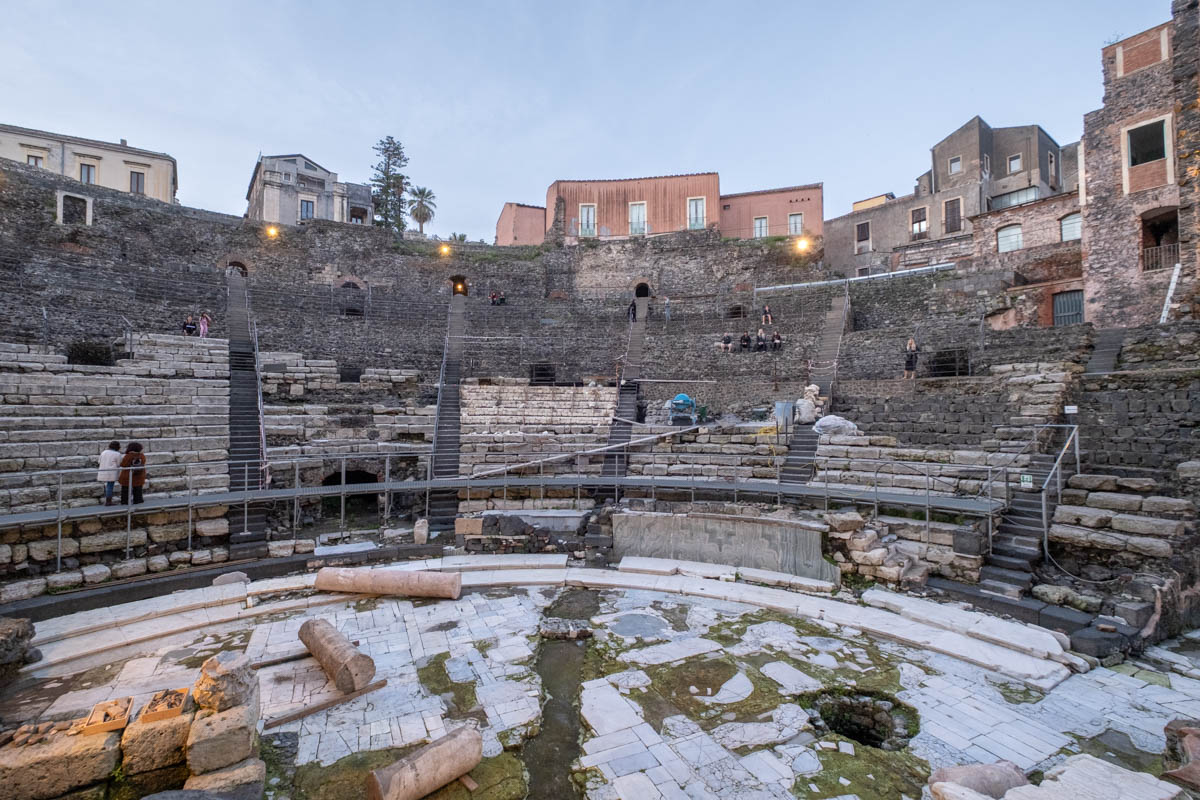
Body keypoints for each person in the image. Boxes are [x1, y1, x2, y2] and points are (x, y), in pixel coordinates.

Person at [97, 441, 121, 506]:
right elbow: (119, 464)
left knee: (108, 486)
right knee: (110, 486)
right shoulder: (117, 454)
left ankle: (108, 500)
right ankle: (108, 501)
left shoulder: (103, 452)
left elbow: (99, 461)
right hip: (111, 472)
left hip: (103, 471)